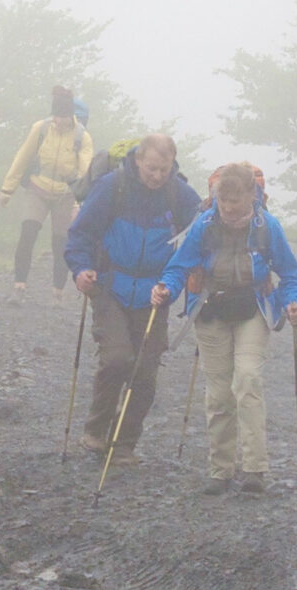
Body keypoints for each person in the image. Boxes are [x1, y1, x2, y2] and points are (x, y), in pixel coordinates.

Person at [151, 162, 297, 494]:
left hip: (253, 307)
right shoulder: (204, 225)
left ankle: (254, 469)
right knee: (219, 391)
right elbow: (179, 267)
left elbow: (290, 273)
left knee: (247, 379)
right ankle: (220, 469)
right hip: (210, 310)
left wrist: (293, 301)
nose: (230, 207)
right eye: (224, 200)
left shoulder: (268, 227)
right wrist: (165, 287)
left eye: (236, 200)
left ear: (253, 195)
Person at [65, 133, 201, 467]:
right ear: (138, 160)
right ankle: (96, 430)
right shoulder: (112, 187)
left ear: (172, 166)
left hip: (155, 293)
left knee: (144, 371)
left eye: (164, 170)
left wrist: (178, 283)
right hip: (110, 285)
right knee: (116, 359)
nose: (157, 176)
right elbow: (80, 233)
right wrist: (81, 270)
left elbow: (200, 237)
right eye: (151, 168)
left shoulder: (180, 195)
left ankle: (123, 444)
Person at [0, 86, 92, 307]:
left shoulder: (82, 137)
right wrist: (7, 189)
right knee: (28, 231)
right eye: (56, 116)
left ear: (71, 115)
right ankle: (19, 286)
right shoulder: (40, 129)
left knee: (60, 243)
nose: (58, 121)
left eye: (63, 117)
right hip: (37, 188)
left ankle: (57, 293)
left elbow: (84, 172)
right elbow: (23, 156)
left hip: (65, 194)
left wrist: (79, 203)